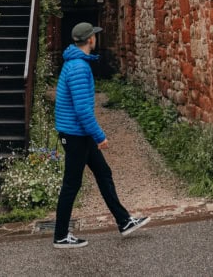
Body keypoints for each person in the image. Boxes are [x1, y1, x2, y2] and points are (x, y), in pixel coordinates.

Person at [52, 22, 150, 248]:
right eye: (94, 35)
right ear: (90, 40)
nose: (96, 38)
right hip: (77, 134)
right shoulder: (78, 67)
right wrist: (99, 136)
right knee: (71, 184)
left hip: (77, 133)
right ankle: (60, 235)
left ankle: (124, 221)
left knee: (104, 173)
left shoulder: (76, 63)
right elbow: (82, 110)